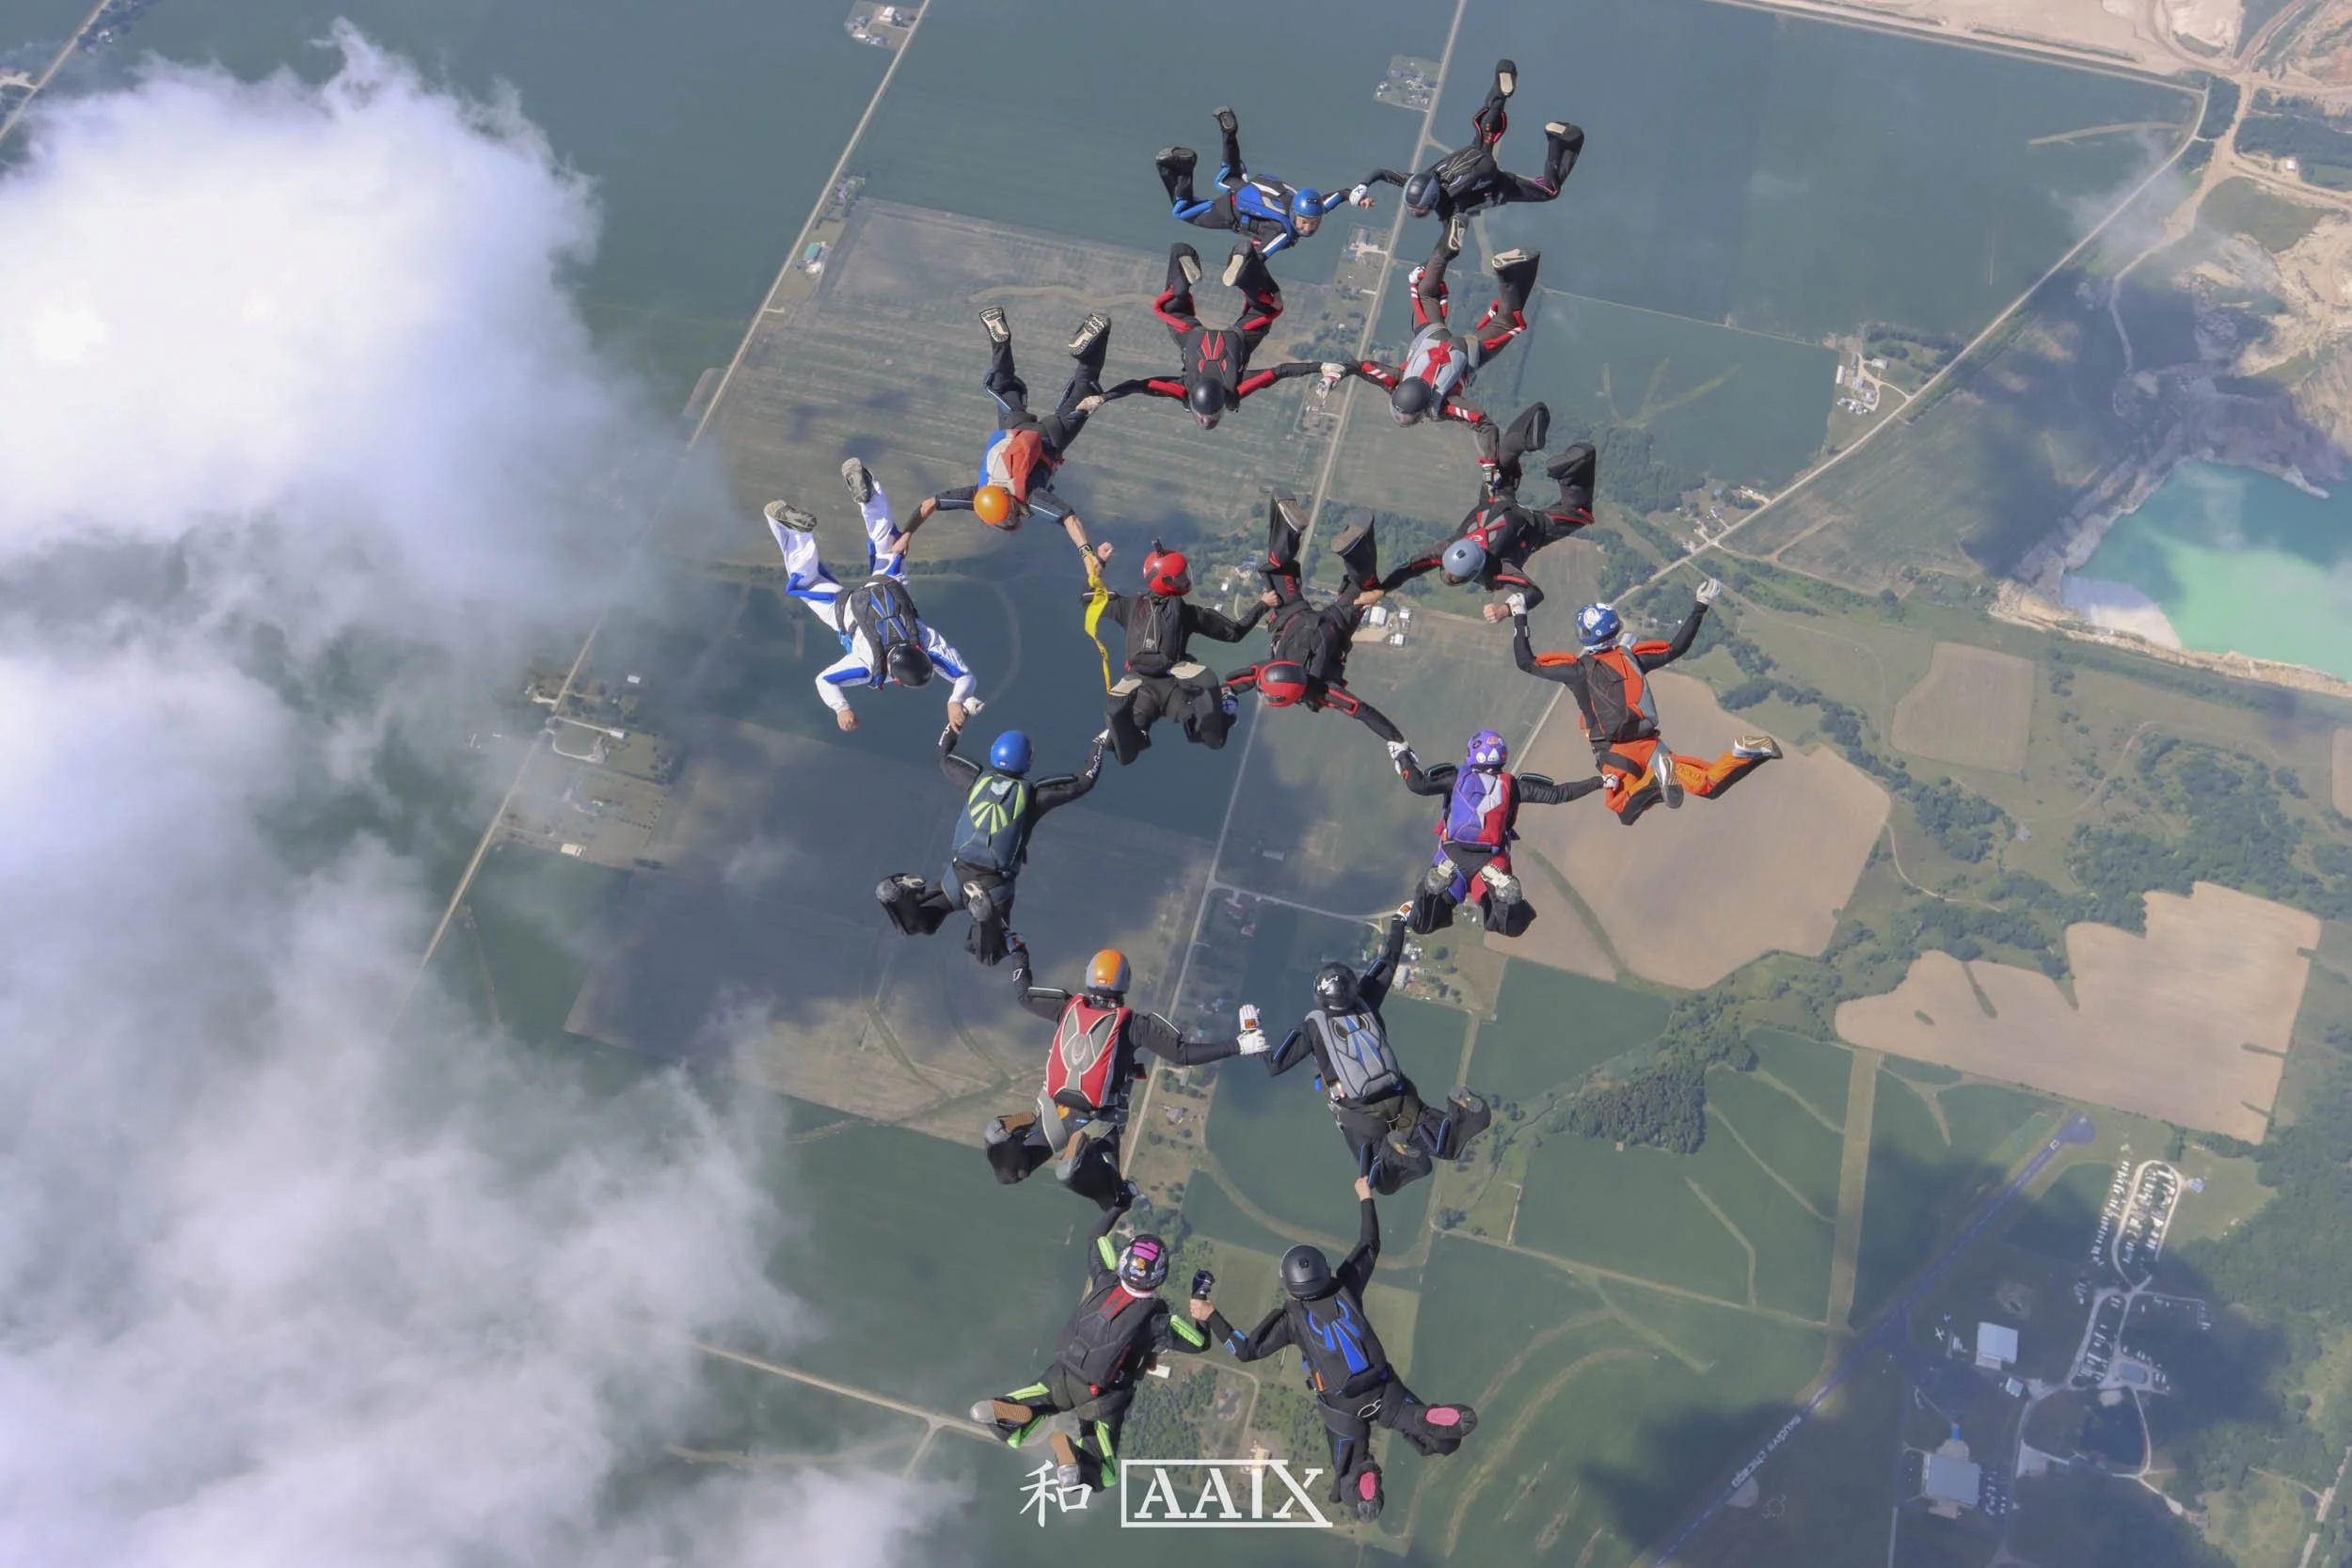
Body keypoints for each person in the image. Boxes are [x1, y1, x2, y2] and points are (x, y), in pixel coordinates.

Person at [1204, 1177, 1478, 1521]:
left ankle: (1363, 1476)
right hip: (1381, 1385)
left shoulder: (1291, 1320)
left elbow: (1245, 1350)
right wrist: (1365, 1196)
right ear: (1324, 1271)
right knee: (1422, 1426)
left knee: (1349, 1465)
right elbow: (1370, 1243)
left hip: (1342, 1405)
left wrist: (1211, 1315)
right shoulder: (1345, 1286)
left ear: (1291, 1287)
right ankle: (1426, 1419)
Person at [985, 944, 1268, 1209]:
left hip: (1052, 1110)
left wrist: (1018, 952)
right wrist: (1238, 1045)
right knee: (1112, 1197)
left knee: (1009, 1172)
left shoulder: (1067, 1007)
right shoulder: (1134, 1025)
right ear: (1125, 983)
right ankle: (1075, 1157)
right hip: (1098, 1121)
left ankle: (1005, 1127)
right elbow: (1182, 1055)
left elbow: (1023, 995)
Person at [972, 1197, 1221, 1493]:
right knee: (1104, 1470)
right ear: (1159, 1277)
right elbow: (1199, 1342)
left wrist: (1119, 1205)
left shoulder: (1104, 1279)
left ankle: (1014, 1413)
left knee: (1040, 1397)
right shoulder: (1156, 1319)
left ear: (1125, 1262)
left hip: (1063, 1372)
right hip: (1102, 1395)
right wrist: (1200, 1294)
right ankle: (1075, 1465)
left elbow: (1097, 1239)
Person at [1510, 580, 1783, 824]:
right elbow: (1677, 648)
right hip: (1651, 745)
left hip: (1615, 753)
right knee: (1708, 785)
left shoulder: (1577, 670)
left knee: (1625, 810)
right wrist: (1701, 605)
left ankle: (1656, 779)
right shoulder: (1633, 658)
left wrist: (1519, 615)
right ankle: (1745, 754)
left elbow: (1526, 662)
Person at [1262, 914, 1493, 1194]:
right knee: (1446, 1145)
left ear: (1321, 997)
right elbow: (1388, 961)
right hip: (1403, 1100)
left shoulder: (1315, 1026)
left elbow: (1275, 1065)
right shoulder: (1365, 1002)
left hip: (1362, 1119)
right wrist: (1398, 923)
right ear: (1351, 988)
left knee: (1380, 1179)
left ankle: (1398, 1153)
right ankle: (1465, 1113)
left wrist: (1251, 1044)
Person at [764, 459, 979, 734]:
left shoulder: (925, 641)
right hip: (843, 610)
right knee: (807, 581)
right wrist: (842, 708)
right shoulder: (868, 667)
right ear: (898, 680)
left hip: (888, 584)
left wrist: (955, 700)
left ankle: (869, 495)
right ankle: (796, 532)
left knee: (886, 540)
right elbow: (825, 681)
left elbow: (965, 677)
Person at [874, 725, 1106, 965]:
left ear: (995, 752)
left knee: (919, 923)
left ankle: (895, 894)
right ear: (1029, 761)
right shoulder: (1034, 797)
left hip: (957, 876)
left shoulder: (974, 781)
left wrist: (956, 724)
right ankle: (985, 916)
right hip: (994, 884)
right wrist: (1098, 745)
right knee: (988, 952)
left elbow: (943, 755)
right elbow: (1084, 781)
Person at [892, 308, 1110, 560]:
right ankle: (1000, 341)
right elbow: (928, 505)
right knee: (1002, 385)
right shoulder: (978, 493)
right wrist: (907, 534)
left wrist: (1088, 557)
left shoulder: (1031, 498)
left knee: (1085, 390)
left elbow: (1069, 518)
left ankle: (1096, 338)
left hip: (1050, 439)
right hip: (1014, 428)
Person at [1378, 405, 1593, 618]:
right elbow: (1410, 567)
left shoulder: (1498, 571)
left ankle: (1573, 467)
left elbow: (1534, 594)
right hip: (1494, 498)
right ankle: (1525, 433)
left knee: (1577, 512)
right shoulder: (1446, 548)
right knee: (1502, 459)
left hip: (1531, 527)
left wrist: (1505, 610)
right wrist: (1382, 589)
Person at [1223, 497, 1405, 745]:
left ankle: (1356, 550)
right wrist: (1225, 697)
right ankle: (1288, 528)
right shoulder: (1264, 672)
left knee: (1365, 587)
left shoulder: (1323, 692)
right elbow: (1231, 682)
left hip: (1335, 624)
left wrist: (1397, 742)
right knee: (1278, 569)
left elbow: (1362, 712)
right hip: (1292, 614)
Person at [1390, 728, 1600, 937]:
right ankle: (1502, 892)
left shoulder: (1456, 778)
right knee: (1510, 925)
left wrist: (1403, 757)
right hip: (1490, 862)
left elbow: (1418, 784)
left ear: (1471, 753)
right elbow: (1559, 794)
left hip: (1451, 858)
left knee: (1424, 922)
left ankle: (1431, 893)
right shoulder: (1513, 786)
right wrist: (1599, 782)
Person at [1367, 59, 1584, 256]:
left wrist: (1438, 258)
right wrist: (1362, 186)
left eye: (1418, 208)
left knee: (1549, 191)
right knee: (1486, 132)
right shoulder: (1420, 178)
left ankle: (1555, 140)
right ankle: (1499, 94)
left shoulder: (1447, 209)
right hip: (1473, 157)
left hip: (1495, 183)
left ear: (1431, 200)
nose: (1416, 210)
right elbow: (1382, 173)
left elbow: (1448, 240)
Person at [1317, 245, 1540, 433]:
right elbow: (1360, 367)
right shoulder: (1395, 380)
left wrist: (1490, 463)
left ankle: (1505, 274)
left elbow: (1481, 420)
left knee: (1507, 322)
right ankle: (1444, 250)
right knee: (1426, 293)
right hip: (1432, 336)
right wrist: (1335, 375)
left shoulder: (1442, 405)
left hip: (1468, 351)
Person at [1100, 243, 1321, 429]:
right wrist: (1104, 397)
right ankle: (1181, 266)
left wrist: (1323, 367)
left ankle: (1245, 264)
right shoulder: (1184, 391)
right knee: (1175, 308)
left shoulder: (1236, 391)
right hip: (1192, 337)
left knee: (1268, 307)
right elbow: (1140, 386)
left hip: (1237, 338)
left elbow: (1280, 372)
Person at [1082, 542, 1267, 765]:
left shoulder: (1128, 606)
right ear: (1168, 581)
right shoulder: (1186, 613)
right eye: (1180, 576)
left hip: (1140, 689)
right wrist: (1263, 605)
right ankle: (1225, 698)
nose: (1185, 580)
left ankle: (1115, 726)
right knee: (1212, 736)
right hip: (1175, 688)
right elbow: (1234, 633)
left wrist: (1099, 564)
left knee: (1126, 750)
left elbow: (1089, 598)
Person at [1155, 105, 1375, 264]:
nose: (1307, 228)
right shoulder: (1283, 233)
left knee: (1231, 169)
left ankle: (1228, 134)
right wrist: (1244, 273)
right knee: (1182, 211)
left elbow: (1340, 195)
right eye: (1304, 222)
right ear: (1296, 214)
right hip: (1230, 213)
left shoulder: (1314, 205)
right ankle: (1185, 170)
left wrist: (1357, 198)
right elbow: (1260, 255)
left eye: (1312, 224)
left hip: (1244, 188)